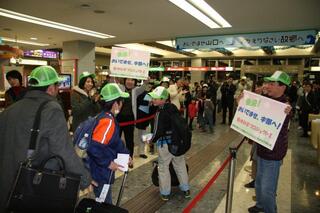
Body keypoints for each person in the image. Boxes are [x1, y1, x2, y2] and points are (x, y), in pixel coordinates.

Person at [0, 65, 92, 211]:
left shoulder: (10, 110)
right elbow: (63, 151)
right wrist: (85, 179)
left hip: (7, 184)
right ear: (51, 88)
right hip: (32, 185)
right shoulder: (50, 109)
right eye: (57, 85)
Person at [247, 71, 292, 213]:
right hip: (262, 148)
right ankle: (260, 205)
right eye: (267, 83)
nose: (267, 86)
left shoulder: (284, 107)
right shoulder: (267, 99)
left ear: (282, 87)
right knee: (259, 182)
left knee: (267, 189)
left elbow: (287, 114)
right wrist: (249, 98)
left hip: (273, 153)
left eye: (272, 84)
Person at [87, 83, 131, 204]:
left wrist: (126, 155)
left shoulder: (103, 117)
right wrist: (108, 162)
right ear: (116, 104)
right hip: (100, 172)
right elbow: (94, 147)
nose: (122, 105)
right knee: (104, 204)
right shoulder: (108, 121)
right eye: (121, 101)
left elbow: (115, 142)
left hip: (99, 169)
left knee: (103, 202)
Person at [149, 86, 190, 201]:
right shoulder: (174, 108)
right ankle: (185, 189)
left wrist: (151, 140)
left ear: (163, 99)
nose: (153, 100)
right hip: (177, 143)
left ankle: (165, 192)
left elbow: (157, 131)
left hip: (165, 145)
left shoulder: (160, 112)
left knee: (163, 167)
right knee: (180, 165)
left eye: (155, 98)